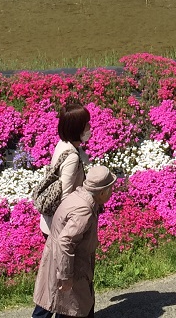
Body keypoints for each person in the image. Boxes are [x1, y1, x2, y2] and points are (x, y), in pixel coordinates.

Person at [32, 165, 118, 318]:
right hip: (70, 266)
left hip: (60, 261)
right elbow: (65, 242)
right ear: (102, 191)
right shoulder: (84, 209)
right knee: (72, 308)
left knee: (56, 305)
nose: (113, 192)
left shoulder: (79, 196)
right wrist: (66, 276)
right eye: (111, 188)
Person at [40, 104, 91, 236]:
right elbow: (65, 196)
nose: (90, 127)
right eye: (86, 124)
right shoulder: (71, 158)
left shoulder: (63, 144)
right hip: (59, 228)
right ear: (77, 128)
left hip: (52, 224)